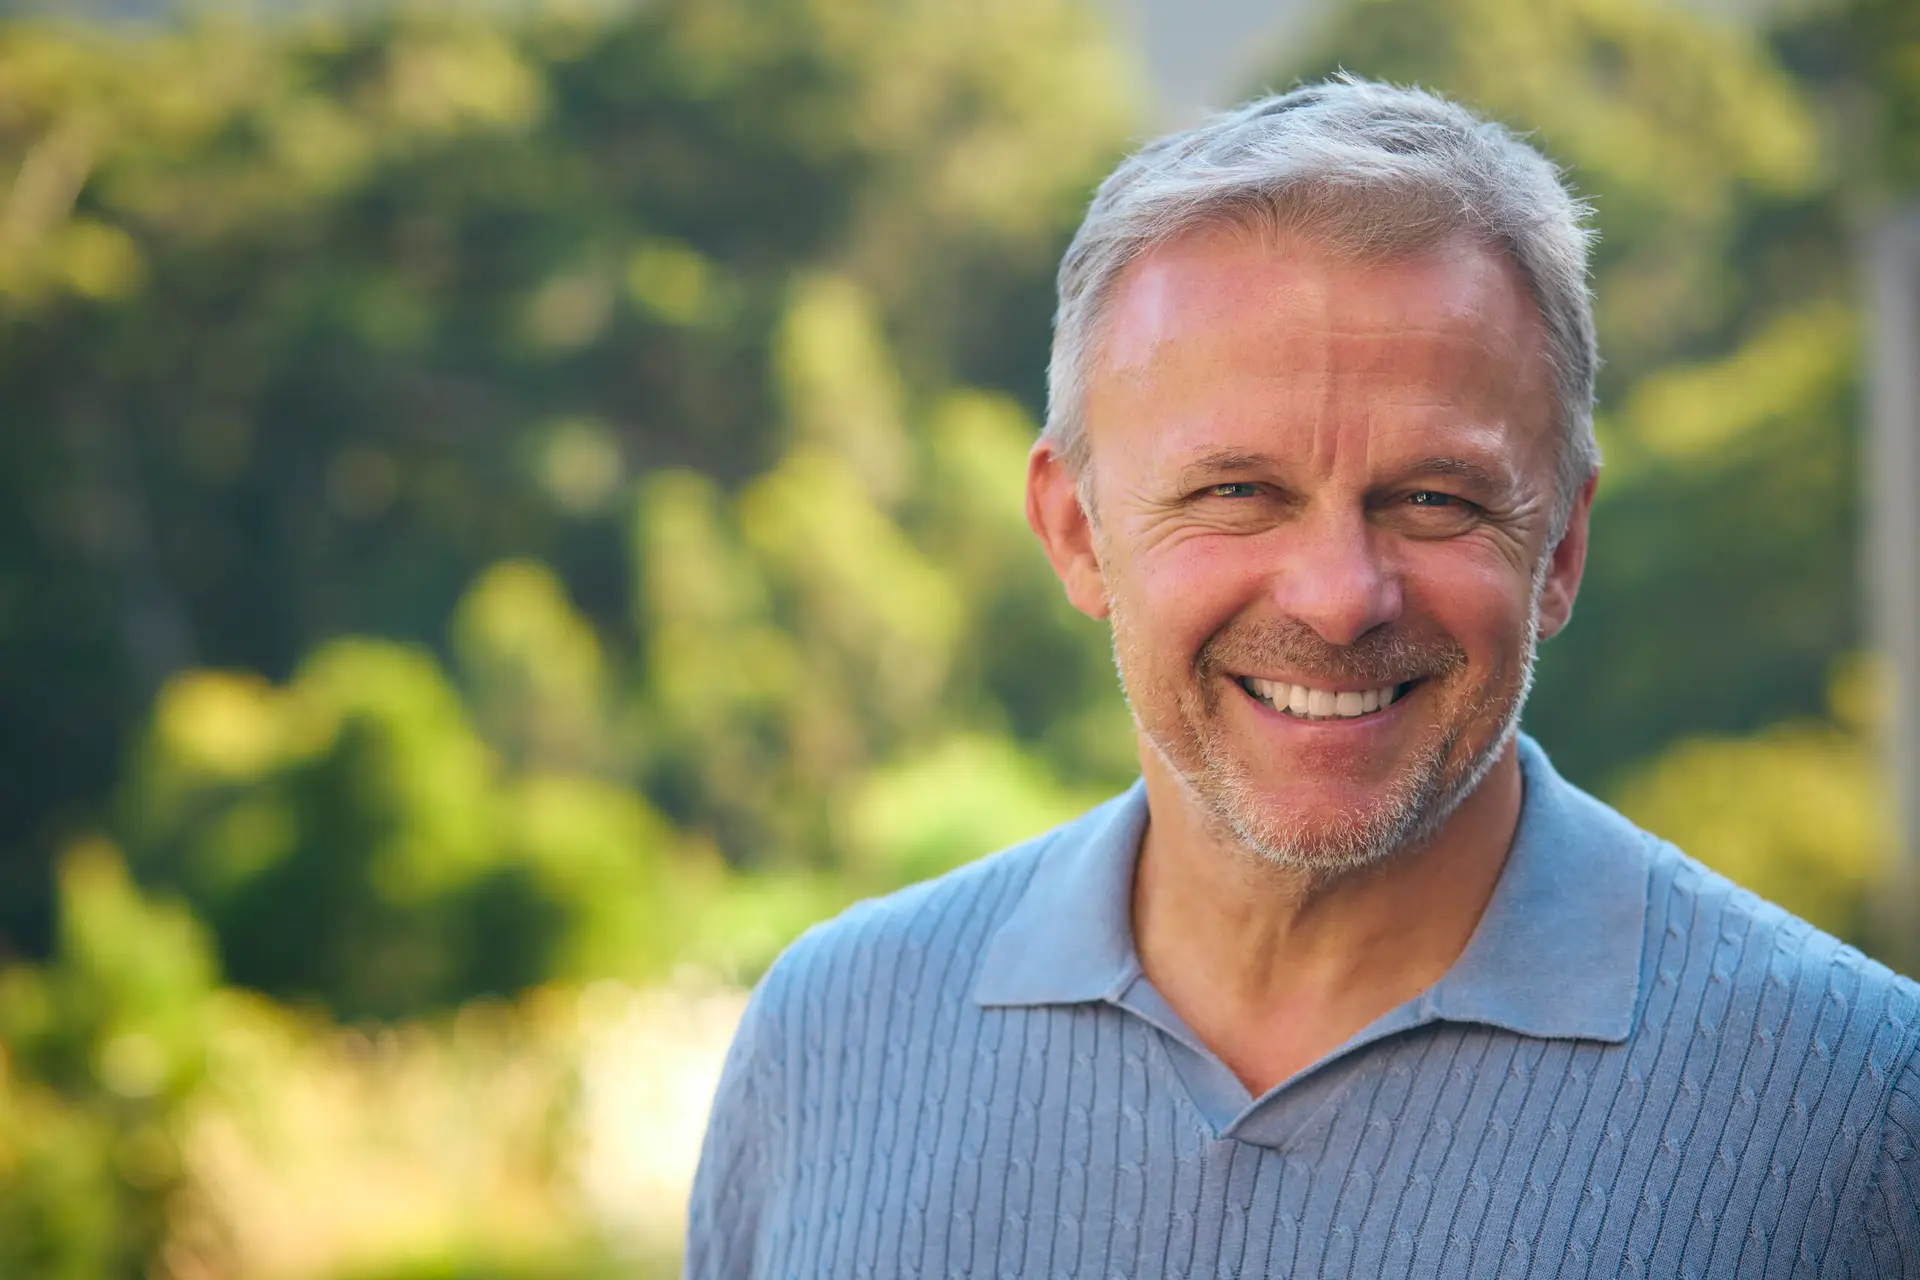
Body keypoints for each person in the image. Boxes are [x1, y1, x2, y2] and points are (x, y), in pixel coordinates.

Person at [682, 76, 1920, 1277]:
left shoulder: (1861, 1109)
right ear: (1074, 530)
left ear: (1563, 549)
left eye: (1435, 499)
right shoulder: (829, 1041)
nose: (1339, 596)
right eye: (1237, 492)